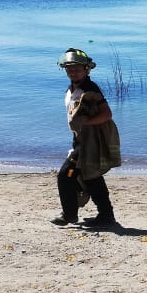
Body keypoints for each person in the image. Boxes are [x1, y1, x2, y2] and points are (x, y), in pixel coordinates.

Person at [51, 48, 121, 227]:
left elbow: (107, 114)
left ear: (86, 70)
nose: (73, 72)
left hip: (90, 142)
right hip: (80, 140)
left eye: (77, 69)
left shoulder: (90, 89)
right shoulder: (72, 88)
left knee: (66, 175)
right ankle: (106, 216)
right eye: (69, 69)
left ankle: (69, 215)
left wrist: (85, 123)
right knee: (91, 177)